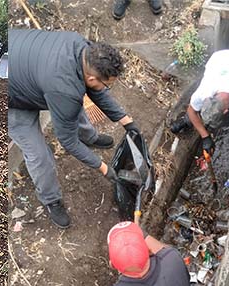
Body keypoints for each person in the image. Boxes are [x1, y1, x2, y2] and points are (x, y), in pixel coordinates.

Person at [8, 29, 141, 229]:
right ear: (92, 79)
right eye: (107, 85)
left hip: (32, 70)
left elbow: (94, 91)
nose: (107, 88)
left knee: (72, 102)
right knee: (39, 156)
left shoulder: (82, 47)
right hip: (13, 97)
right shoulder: (64, 89)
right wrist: (103, 168)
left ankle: (89, 137)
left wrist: (126, 121)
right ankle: (51, 200)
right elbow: (67, 141)